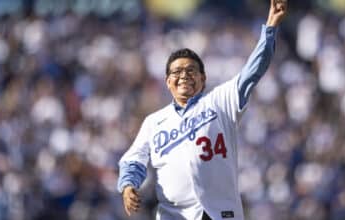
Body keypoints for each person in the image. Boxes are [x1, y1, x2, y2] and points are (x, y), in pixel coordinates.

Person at [117, 0, 287, 219]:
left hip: (219, 213)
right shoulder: (154, 122)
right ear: (168, 82)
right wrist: (129, 184)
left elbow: (252, 72)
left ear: (203, 79)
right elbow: (133, 159)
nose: (184, 76)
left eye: (191, 70)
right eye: (176, 72)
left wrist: (271, 28)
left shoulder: (219, 101)